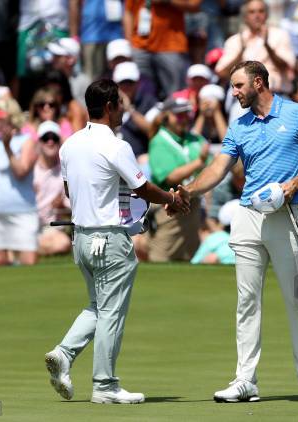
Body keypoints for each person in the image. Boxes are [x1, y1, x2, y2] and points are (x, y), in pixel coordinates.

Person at [178, 61, 298, 403]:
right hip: (248, 215)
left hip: (286, 214)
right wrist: (189, 191)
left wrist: (297, 182)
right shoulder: (239, 126)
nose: (233, 93)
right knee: (247, 301)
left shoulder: (297, 114)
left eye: (237, 86)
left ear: (258, 83)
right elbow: (219, 168)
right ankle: (245, 380)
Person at [44, 79, 189, 405]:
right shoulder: (117, 146)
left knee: (99, 305)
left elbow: (70, 192)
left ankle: (64, 354)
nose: (123, 109)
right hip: (110, 240)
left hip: (80, 240)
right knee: (111, 312)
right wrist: (171, 199)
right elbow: (142, 188)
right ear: (110, 107)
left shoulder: (69, 144)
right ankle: (105, 385)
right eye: (120, 104)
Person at [0, 103, 39, 266]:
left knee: (29, 262)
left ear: (10, 117)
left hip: (23, 210)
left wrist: (7, 147)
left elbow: (21, 172)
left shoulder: (27, 141)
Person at [147, 98, 209, 262]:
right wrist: (198, 162)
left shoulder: (194, 139)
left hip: (192, 208)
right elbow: (169, 176)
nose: (184, 118)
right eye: (179, 115)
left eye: (186, 114)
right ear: (167, 117)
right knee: (162, 257)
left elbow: (211, 167)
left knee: (191, 257)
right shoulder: (159, 141)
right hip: (168, 208)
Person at [215, 0, 295, 95]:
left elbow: (286, 67)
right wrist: (241, 53)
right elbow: (222, 72)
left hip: (276, 94)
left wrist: (267, 45)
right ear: (245, 17)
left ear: (267, 15)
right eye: (252, 12)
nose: (257, 15)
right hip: (245, 98)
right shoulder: (235, 41)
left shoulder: (280, 35)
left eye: (261, 11)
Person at [123, 0, 200, 99]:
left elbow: (194, 6)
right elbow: (128, 12)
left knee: (175, 95)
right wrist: (130, 44)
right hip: (139, 47)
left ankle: (173, 114)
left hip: (171, 47)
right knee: (143, 94)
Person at [33, 121, 71, 256]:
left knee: (63, 244)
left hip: (52, 229)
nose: (50, 142)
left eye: (54, 138)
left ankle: (31, 250)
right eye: (46, 138)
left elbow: (73, 210)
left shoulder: (66, 171)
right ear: (39, 142)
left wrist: (61, 205)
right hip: (29, 225)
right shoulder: (30, 169)